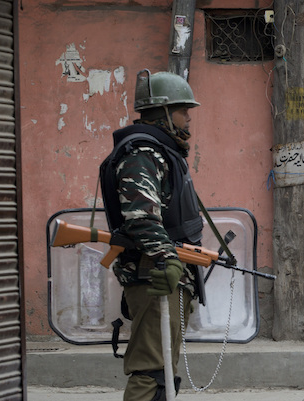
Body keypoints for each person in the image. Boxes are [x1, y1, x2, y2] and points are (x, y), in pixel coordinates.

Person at [99, 69, 204, 400]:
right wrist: (167, 258)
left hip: (162, 273)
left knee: (162, 372)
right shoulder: (143, 153)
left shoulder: (160, 151)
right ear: (163, 113)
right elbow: (140, 218)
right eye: (182, 110)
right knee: (151, 370)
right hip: (153, 273)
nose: (188, 118)